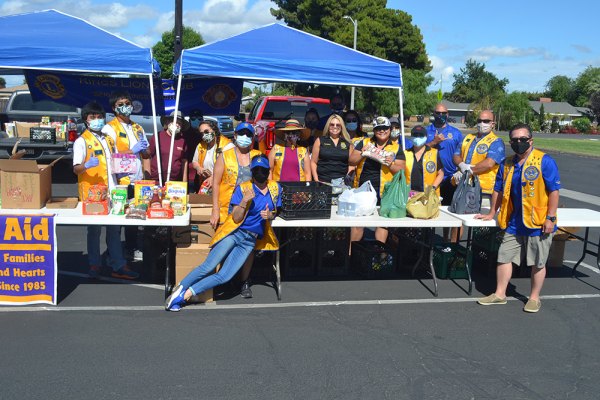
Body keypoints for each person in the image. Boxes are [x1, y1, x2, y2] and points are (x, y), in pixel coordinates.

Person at [165, 154, 282, 311]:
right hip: (235, 233)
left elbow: (275, 212)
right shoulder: (243, 188)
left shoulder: (275, 188)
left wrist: (270, 215)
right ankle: (180, 289)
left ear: (269, 171)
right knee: (209, 266)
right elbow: (235, 217)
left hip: (249, 241)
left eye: (263, 170)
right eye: (257, 170)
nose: (260, 173)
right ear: (252, 171)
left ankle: (184, 294)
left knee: (225, 276)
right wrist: (244, 201)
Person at [475, 123, 560, 313]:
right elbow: (497, 189)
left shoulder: (544, 161)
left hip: (537, 221)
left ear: (531, 140)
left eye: (522, 139)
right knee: (504, 256)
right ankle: (500, 294)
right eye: (514, 140)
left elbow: (554, 191)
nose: (518, 143)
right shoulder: (507, 163)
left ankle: (534, 298)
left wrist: (551, 218)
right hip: (513, 221)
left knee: (538, 261)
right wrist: (491, 213)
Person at [72, 101, 138, 280]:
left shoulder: (108, 139)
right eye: (92, 117)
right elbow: (76, 168)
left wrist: (127, 162)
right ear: (85, 120)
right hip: (93, 194)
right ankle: (94, 263)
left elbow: (115, 161)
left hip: (113, 189)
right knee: (94, 230)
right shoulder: (81, 141)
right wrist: (86, 165)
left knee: (115, 229)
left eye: (100, 117)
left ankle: (118, 264)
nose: (97, 120)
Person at [210, 122, 262, 298]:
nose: (245, 138)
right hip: (227, 210)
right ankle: (223, 280)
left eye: (249, 134)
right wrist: (215, 210)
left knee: (247, 248)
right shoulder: (225, 156)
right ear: (235, 135)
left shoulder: (258, 156)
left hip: (251, 211)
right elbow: (215, 184)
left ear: (253, 138)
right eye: (241, 133)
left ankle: (244, 281)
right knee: (224, 246)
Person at [102, 91, 148, 262]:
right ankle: (112, 253)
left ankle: (131, 248)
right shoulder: (109, 128)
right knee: (118, 218)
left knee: (135, 216)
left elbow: (146, 154)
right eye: (121, 104)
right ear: (114, 108)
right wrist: (132, 150)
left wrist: (144, 150)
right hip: (120, 181)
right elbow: (111, 155)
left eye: (127, 103)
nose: (125, 107)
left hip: (137, 179)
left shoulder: (137, 127)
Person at [348, 116, 406, 244]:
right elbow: (351, 161)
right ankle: (351, 256)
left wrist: (391, 164)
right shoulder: (364, 142)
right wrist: (361, 153)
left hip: (385, 192)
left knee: (383, 224)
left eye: (385, 128)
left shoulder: (396, 148)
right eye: (378, 128)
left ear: (390, 130)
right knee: (358, 223)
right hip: (364, 190)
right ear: (374, 130)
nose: (382, 131)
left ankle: (379, 257)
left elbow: (401, 171)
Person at [453, 110, 505, 209]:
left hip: (484, 191)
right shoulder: (468, 137)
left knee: (481, 220)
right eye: (479, 120)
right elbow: (456, 155)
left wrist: (468, 171)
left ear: (493, 124)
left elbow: (489, 163)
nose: (482, 123)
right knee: (461, 216)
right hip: (464, 186)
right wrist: (461, 165)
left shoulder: (496, 141)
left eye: (486, 121)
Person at [426, 103, 463, 206]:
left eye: (443, 113)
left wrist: (460, 170)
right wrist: (434, 142)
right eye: (438, 113)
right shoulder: (426, 131)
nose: (440, 115)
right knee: (429, 207)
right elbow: (419, 151)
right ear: (434, 113)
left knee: (448, 208)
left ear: (447, 114)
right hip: (430, 177)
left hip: (450, 178)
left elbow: (462, 154)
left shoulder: (456, 133)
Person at [144, 110, 189, 183]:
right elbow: (147, 157)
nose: (177, 125)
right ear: (168, 122)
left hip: (174, 183)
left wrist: (184, 183)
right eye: (174, 122)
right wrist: (147, 180)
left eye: (179, 123)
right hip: (156, 180)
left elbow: (184, 162)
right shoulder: (158, 136)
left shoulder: (182, 141)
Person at [190, 119, 234, 192]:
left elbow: (231, 168)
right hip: (205, 185)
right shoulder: (201, 145)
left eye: (206, 131)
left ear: (214, 130)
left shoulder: (227, 145)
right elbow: (194, 162)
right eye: (202, 133)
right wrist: (199, 168)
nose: (204, 135)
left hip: (222, 186)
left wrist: (214, 177)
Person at [310, 114, 352, 184]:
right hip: (323, 182)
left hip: (342, 184)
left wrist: (348, 177)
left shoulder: (347, 143)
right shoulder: (320, 140)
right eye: (332, 124)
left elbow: (352, 163)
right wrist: (316, 180)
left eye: (338, 125)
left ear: (342, 127)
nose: (335, 127)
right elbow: (313, 162)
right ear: (328, 126)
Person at [404, 125, 443, 194]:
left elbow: (440, 173)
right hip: (408, 195)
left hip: (429, 195)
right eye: (415, 135)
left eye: (421, 135)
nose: (418, 137)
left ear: (426, 137)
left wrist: (433, 188)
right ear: (411, 137)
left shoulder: (434, 153)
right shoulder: (405, 154)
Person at [183, 109, 204, 192]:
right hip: (188, 169)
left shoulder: (205, 134)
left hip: (201, 168)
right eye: (193, 118)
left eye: (199, 118)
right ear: (189, 120)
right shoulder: (184, 134)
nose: (196, 120)